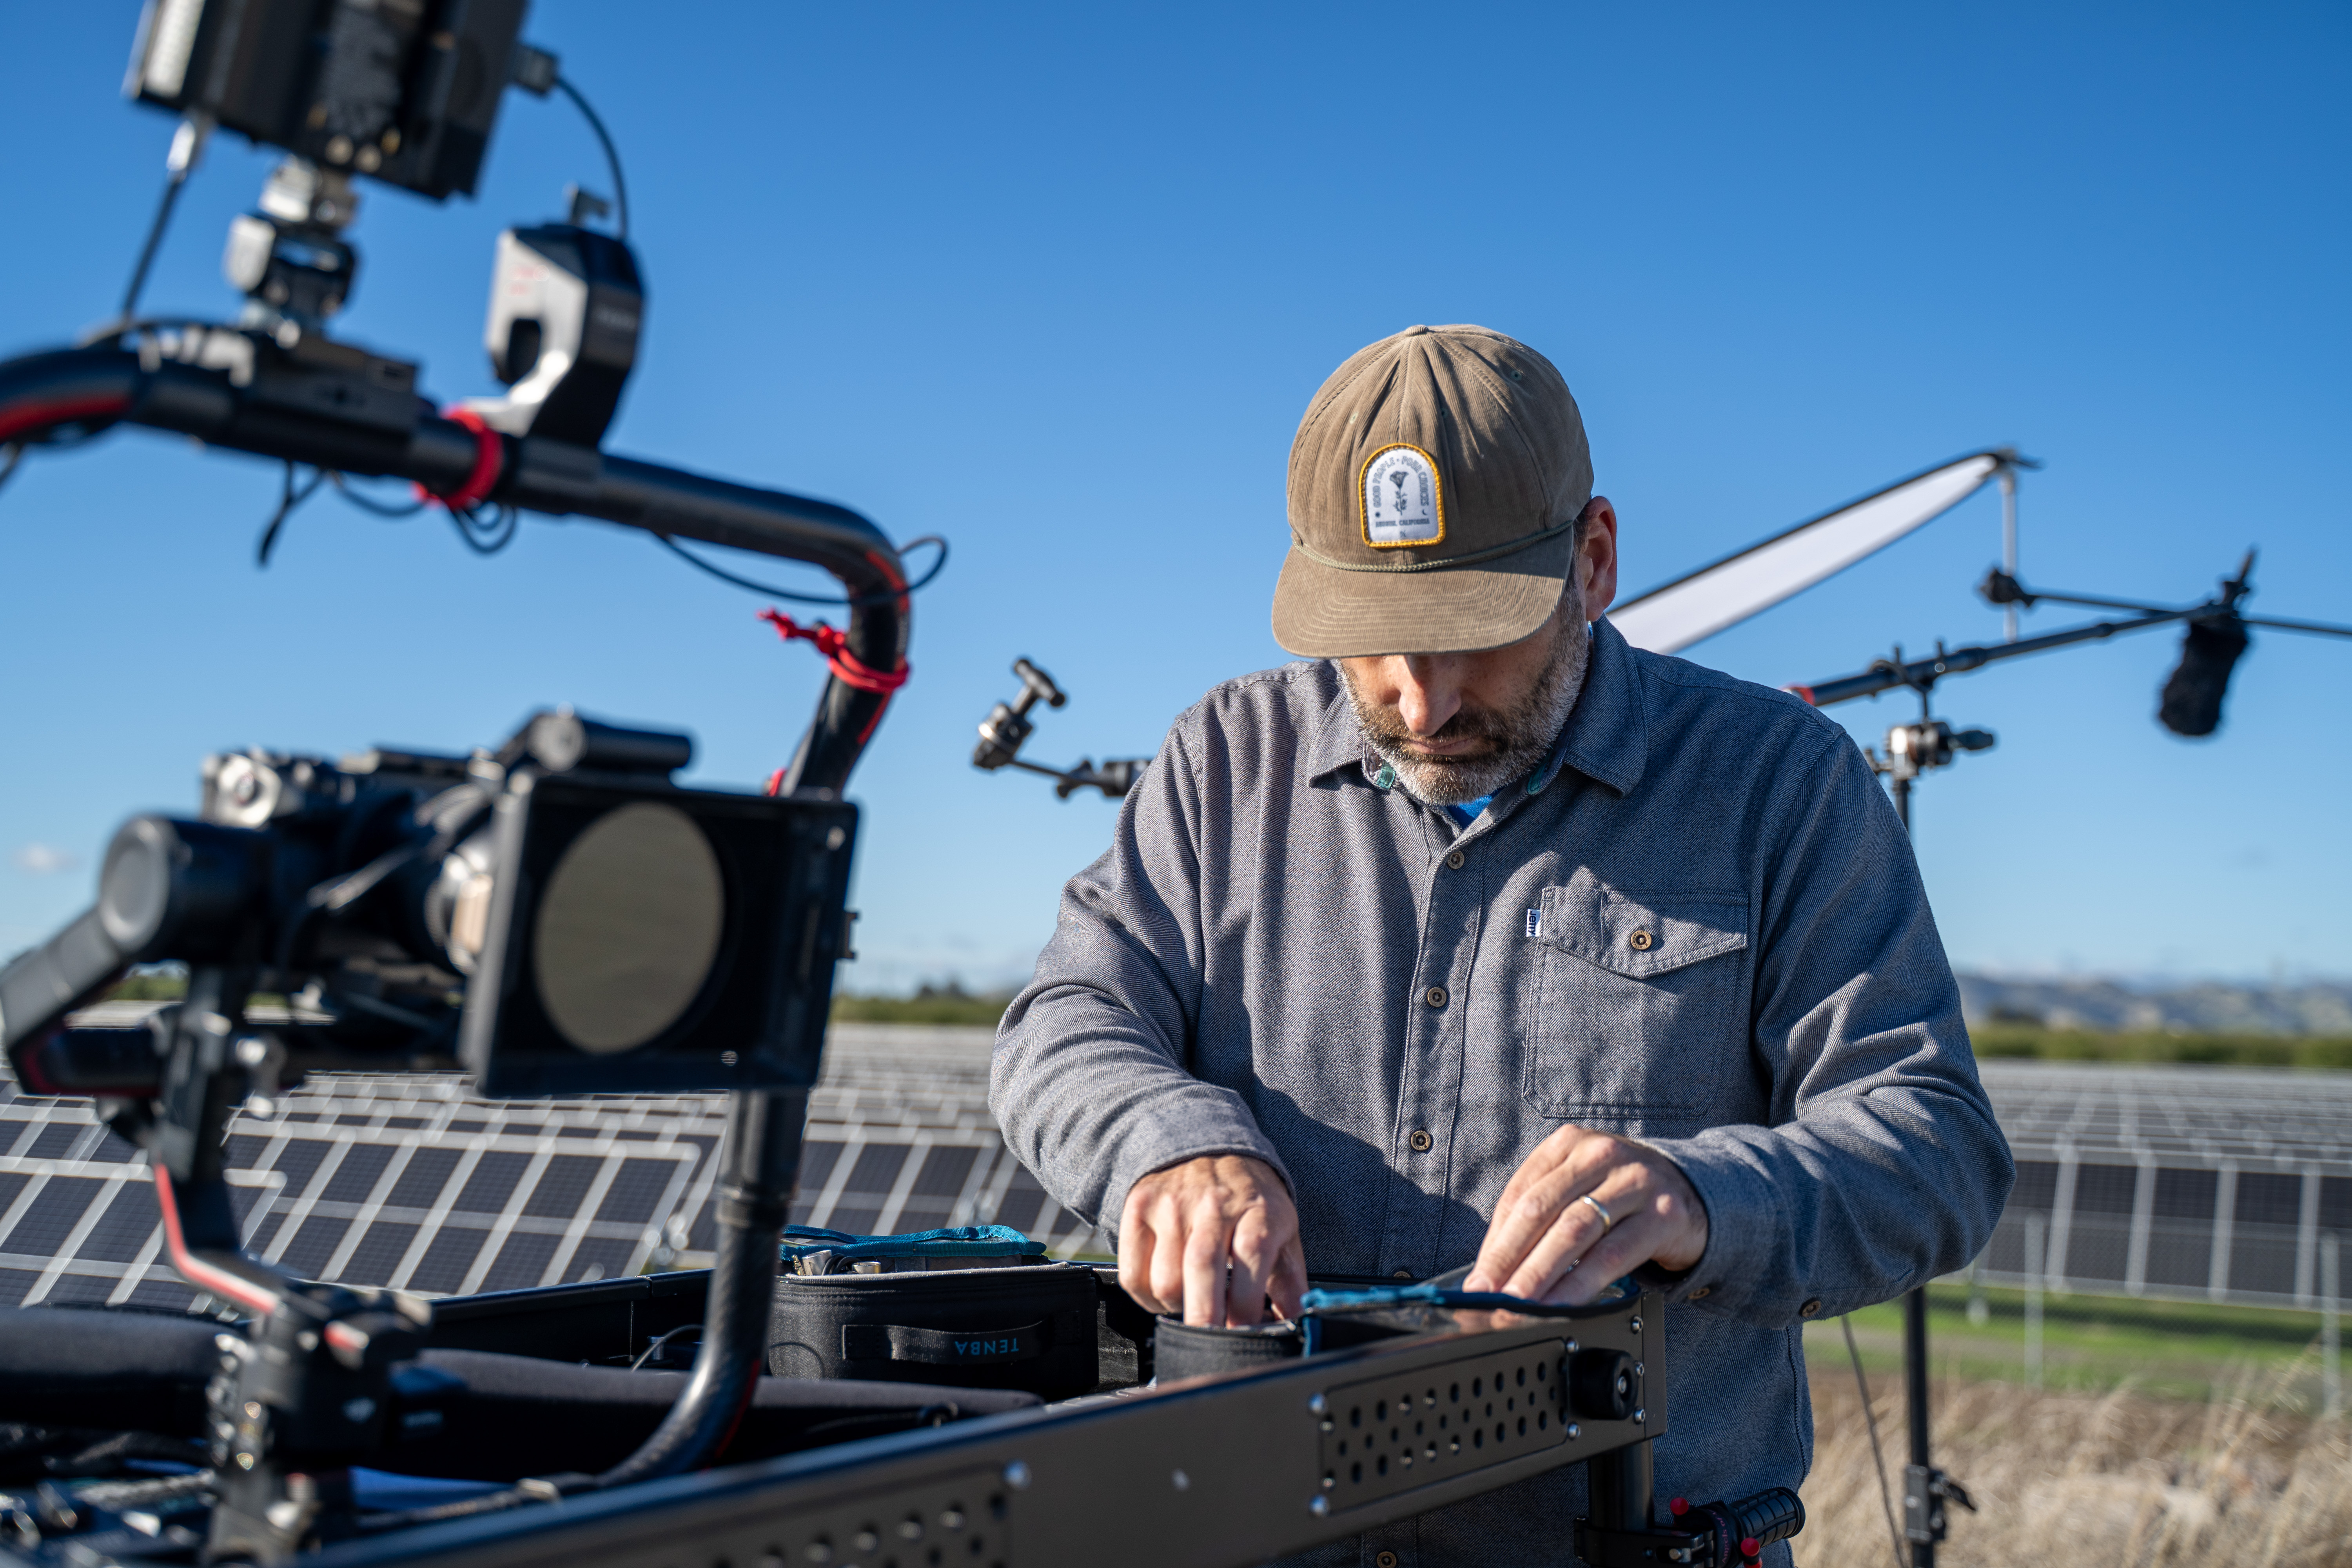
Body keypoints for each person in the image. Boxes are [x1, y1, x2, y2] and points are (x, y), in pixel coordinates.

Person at [990, 324, 2013, 1566]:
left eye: (1475, 633)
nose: (1422, 704)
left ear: (1593, 561)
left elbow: (1934, 1148)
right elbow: (1066, 1026)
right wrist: (1170, 1146)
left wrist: (1703, 1197)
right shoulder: (1224, 764)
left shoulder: (1779, 789)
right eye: (1371, 645)